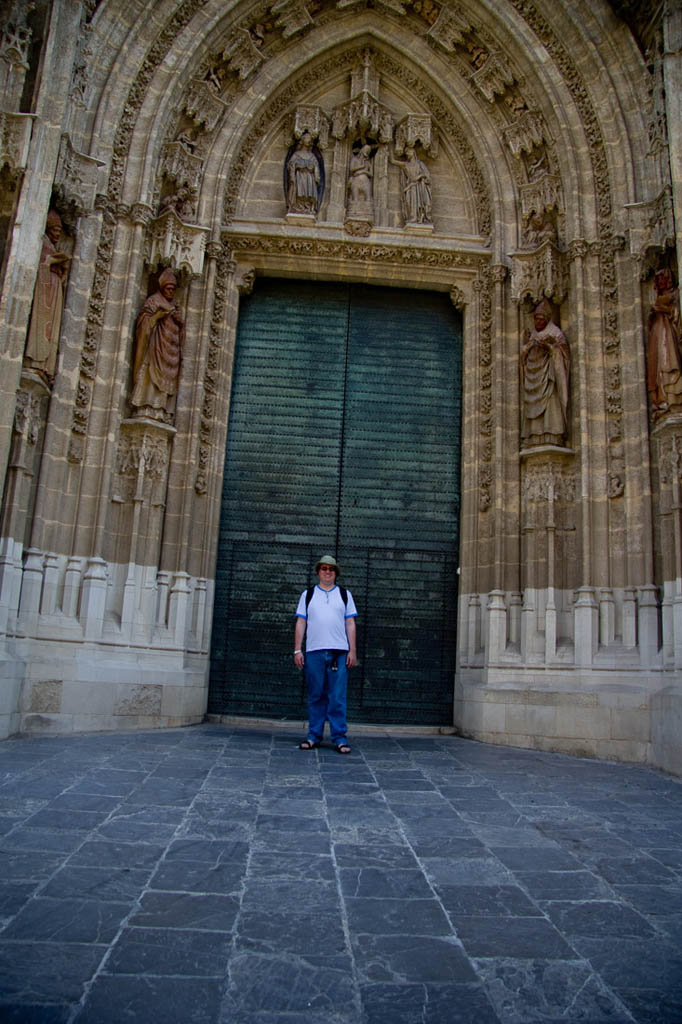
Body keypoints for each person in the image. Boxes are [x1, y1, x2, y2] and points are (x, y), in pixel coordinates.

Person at [294, 555, 357, 754]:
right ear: (318, 571)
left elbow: (350, 623)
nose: (327, 572)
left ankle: (339, 737)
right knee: (315, 695)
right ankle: (314, 736)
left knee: (337, 696)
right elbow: (301, 622)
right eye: (323, 568)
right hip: (314, 651)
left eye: (331, 569)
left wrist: (352, 650)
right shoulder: (308, 595)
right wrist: (297, 649)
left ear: (335, 573)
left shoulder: (345, 595)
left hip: (339, 652)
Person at [131, 268, 184, 422]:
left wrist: (181, 323)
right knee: (149, 376)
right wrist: (158, 316)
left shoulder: (176, 306)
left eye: (173, 289)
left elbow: (182, 334)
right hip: (154, 350)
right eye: (168, 289)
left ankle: (161, 410)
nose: (171, 292)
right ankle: (145, 408)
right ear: (162, 288)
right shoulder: (153, 301)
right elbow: (144, 324)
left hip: (169, 352)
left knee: (164, 384)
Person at [24, 209, 70, 385]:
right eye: (55, 231)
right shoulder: (41, 242)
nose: (57, 235)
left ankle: (44, 366)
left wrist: (62, 268)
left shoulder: (51, 246)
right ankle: (35, 361)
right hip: (45, 288)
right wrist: (52, 261)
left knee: (50, 327)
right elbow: (40, 263)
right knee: (41, 323)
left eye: (59, 232)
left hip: (54, 287)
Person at [521, 297, 570, 446]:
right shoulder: (531, 335)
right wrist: (528, 346)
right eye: (536, 319)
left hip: (549, 378)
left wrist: (550, 347)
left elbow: (563, 353)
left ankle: (553, 436)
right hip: (533, 380)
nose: (538, 322)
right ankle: (533, 438)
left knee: (551, 405)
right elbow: (523, 357)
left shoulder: (555, 333)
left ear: (547, 319)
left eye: (541, 319)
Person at [647, 268, 682, 419]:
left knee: (668, 361)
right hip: (658, 334)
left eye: (662, 278)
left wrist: (666, 309)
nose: (659, 282)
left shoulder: (675, 294)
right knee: (659, 367)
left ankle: (673, 400)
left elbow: (677, 314)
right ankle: (662, 400)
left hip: (668, 334)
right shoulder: (658, 298)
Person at [391, 145, 432, 225]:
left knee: (419, 203)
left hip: (419, 187)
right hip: (410, 187)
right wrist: (388, 146)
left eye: (408, 151)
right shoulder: (406, 164)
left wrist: (419, 177)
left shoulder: (420, 164)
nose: (407, 154)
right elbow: (393, 161)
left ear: (413, 152)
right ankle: (413, 218)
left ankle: (420, 217)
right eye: (406, 152)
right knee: (409, 203)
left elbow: (427, 175)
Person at [286, 132, 321, 214]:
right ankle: (298, 206)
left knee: (308, 193)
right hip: (300, 176)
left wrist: (314, 171)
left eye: (310, 139)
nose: (308, 140)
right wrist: (297, 165)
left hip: (309, 177)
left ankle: (308, 207)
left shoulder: (312, 156)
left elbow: (316, 166)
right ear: (302, 140)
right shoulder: (297, 154)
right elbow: (290, 165)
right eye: (307, 138)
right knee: (300, 192)